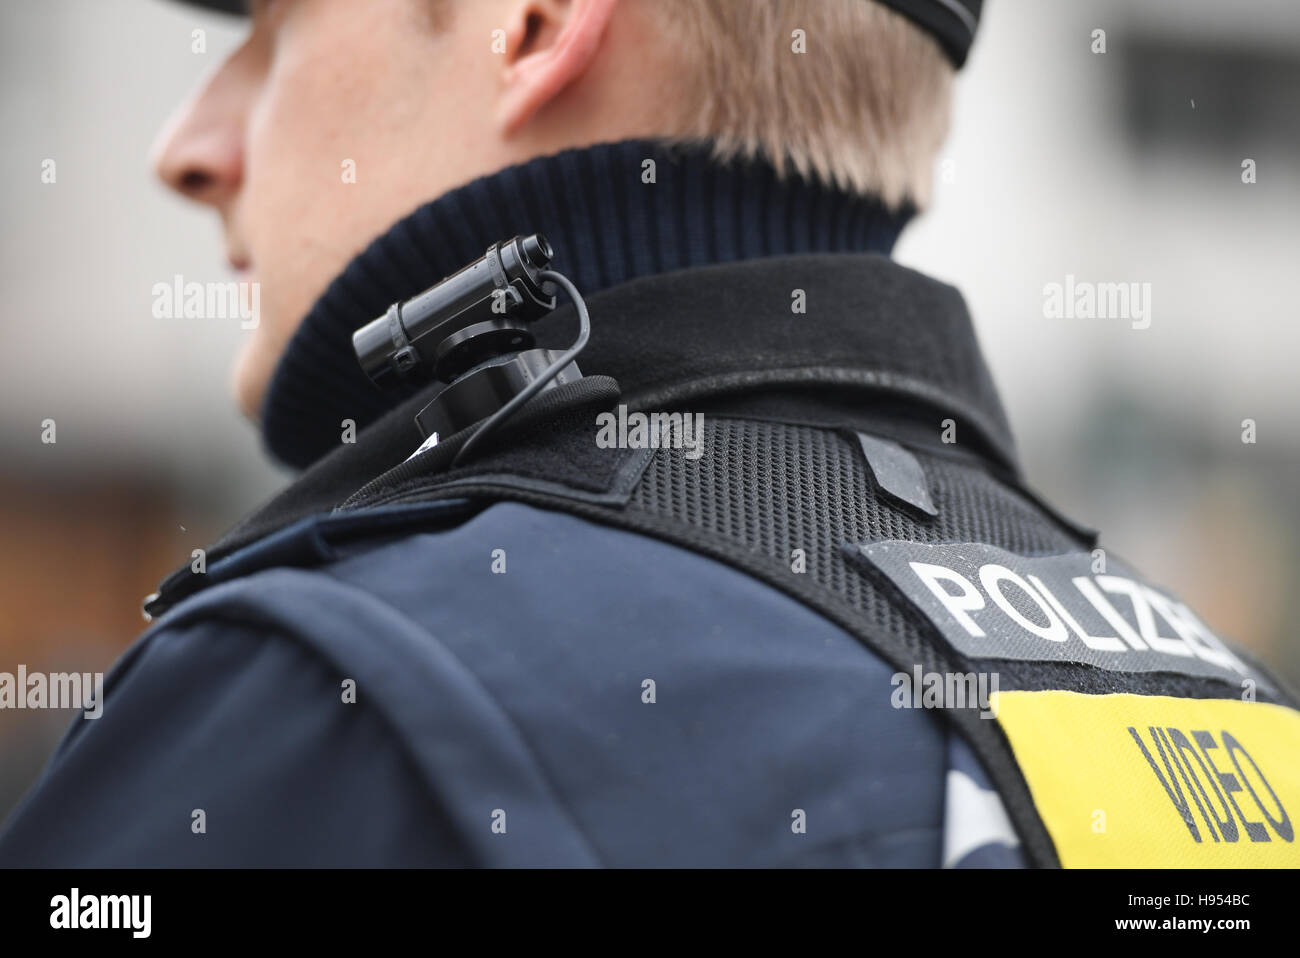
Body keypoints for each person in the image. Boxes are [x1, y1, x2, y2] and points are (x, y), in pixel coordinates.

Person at [2, 0, 1297, 868]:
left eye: (273, 28)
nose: (190, 143)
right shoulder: (1242, 728)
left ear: (534, 23)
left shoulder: (329, 698)